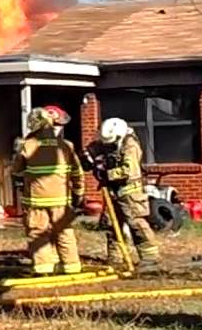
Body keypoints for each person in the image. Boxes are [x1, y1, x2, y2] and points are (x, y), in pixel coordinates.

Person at [10, 105, 85, 275]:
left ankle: (44, 268)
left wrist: (18, 152)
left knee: (38, 233)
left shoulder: (27, 146)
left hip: (36, 202)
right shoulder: (66, 146)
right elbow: (77, 173)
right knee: (64, 232)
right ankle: (72, 266)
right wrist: (78, 193)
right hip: (62, 201)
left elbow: (16, 171)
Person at [88, 117, 160, 266]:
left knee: (136, 224)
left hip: (130, 192)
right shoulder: (109, 140)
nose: (108, 146)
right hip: (113, 191)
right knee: (112, 225)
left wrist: (107, 174)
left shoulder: (130, 145)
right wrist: (90, 158)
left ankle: (150, 257)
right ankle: (116, 258)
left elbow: (129, 170)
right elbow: (93, 149)